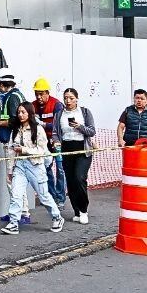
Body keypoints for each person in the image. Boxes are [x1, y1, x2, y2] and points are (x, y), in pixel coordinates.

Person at [0, 104, 64, 235]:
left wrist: (24, 150)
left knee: (43, 196)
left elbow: (42, 150)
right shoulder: (16, 129)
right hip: (20, 165)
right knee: (16, 194)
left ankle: (57, 217)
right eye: (19, 112)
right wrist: (10, 170)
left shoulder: (38, 129)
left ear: (29, 113)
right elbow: (12, 151)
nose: (20, 115)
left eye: (23, 112)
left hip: (35, 166)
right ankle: (13, 222)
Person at [0, 68, 31, 223]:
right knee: (14, 178)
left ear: (3, 83)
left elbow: (14, 120)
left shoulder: (12, 98)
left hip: (14, 142)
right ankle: (19, 212)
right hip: (13, 141)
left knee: (12, 178)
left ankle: (21, 214)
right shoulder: (10, 96)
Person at [53, 88, 96, 224]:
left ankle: (84, 210)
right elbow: (55, 132)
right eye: (66, 98)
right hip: (67, 148)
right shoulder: (59, 114)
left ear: (77, 99)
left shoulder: (84, 112)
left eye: (71, 98)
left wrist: (79, 126)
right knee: (71, 182)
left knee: (79, 178)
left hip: (82, 149)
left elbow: (92, 131)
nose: (68, 101)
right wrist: (56, 141)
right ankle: (76, 211)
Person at [30, 77, 67, 207]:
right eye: (37, 94)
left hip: (56, 141)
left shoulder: (56, 105)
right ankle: (51, 195)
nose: (39, 97)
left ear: (47, 93)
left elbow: (60, 125)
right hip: (43, 143)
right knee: (46, 169)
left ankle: (61, 198)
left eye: (41, 94)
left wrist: (43, 125)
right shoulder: (32, 106)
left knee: (61, 169)